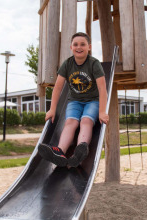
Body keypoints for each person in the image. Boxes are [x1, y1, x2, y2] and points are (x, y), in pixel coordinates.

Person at [38, 32, 109, 167]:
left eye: (83, 44)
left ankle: (80, 149)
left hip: (92, 101)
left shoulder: (94, 64)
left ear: (89, 47)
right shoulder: (68, 64)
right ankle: (59, 152)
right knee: (70, 122)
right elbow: (58, 88)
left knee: (86, 121)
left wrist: (102, 112)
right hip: (74, 101)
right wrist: (52, 109)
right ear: (71, 47)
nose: (79, 47)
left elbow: (102, 88)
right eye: (75, 44)